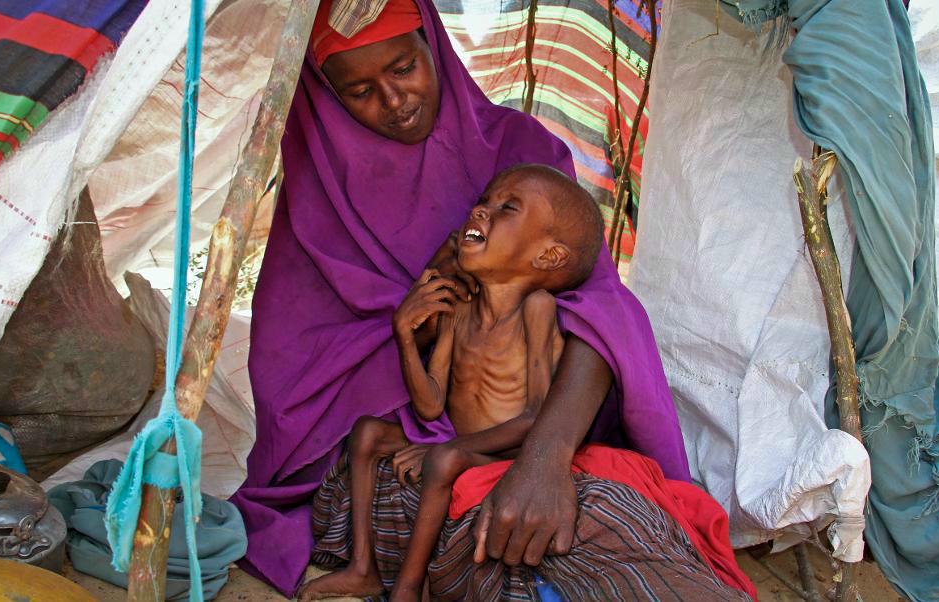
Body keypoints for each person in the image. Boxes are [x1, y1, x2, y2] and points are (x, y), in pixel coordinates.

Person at [230, 0, 746, 599]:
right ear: (327, 99)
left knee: (602, 523)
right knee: (509, 548)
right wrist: (417, 329)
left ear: (434, 45)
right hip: (394, 452)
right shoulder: (319, 202)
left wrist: (546, 458)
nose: (395, 101)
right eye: (361, 91)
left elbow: (601, 309)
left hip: (533, 428)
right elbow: (302, 372)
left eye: (403, 68)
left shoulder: (518, 154)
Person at [299, 164, 603, 601]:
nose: (481, 211)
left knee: (441, 462)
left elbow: (537, 415)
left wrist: (451, 449)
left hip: (508, 456)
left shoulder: (536, 309)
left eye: (507, 208)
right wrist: (405, 333)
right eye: (484, 201)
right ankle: (363, 567)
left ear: (548, 257)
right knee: (367, 432)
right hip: (462, 442)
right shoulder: (461, 308)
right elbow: (430, 406)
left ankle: (408, 587)